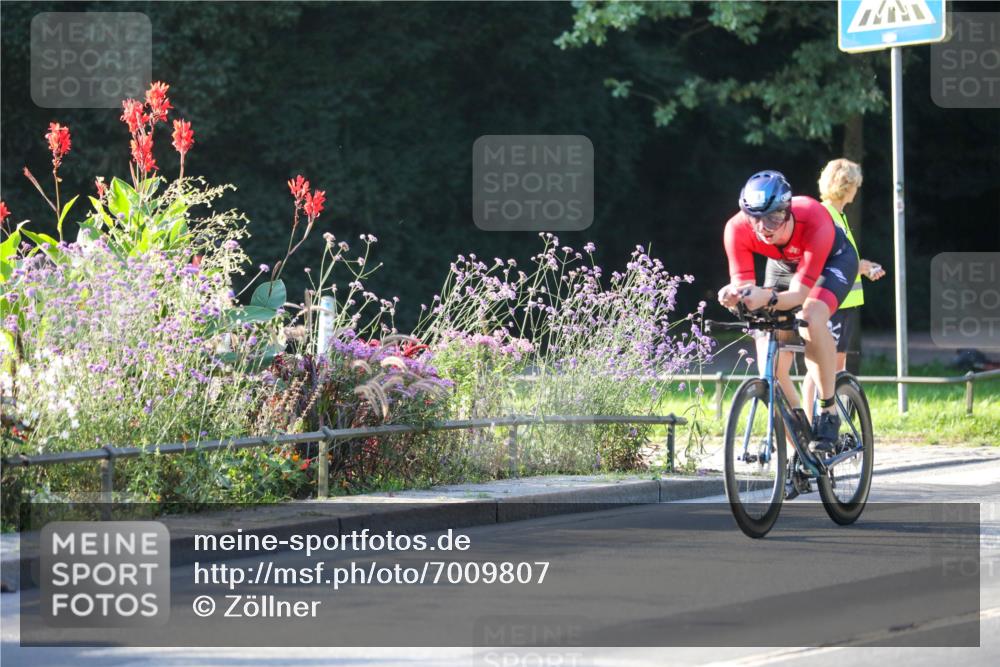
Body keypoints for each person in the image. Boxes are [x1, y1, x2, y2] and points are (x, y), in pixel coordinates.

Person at [717, 170, 859, 452]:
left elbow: (799, 295)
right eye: (755, 218)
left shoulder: (813, 217)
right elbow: (746, 288)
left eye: (773, 218)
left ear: (788, 209)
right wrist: (736, 295)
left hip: (832, 262)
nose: (763, 228)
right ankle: (802, 447)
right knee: (768, 365)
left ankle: (828, 410)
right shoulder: (737, 228)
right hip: (782, 265)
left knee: (809, 318)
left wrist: (765, 297)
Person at [801, 159, 886, 412]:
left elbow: (843, 259)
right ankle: (815, 420)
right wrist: (861, 267)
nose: (857, 190)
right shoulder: (826, 214)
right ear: (847, 186)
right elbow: (826, 258)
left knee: (836, 366)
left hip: (842, 303)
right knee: (820, 366)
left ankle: (830, 422)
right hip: (831, 304)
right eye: (856, 185)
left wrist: (863, 266)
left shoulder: (839, 215)